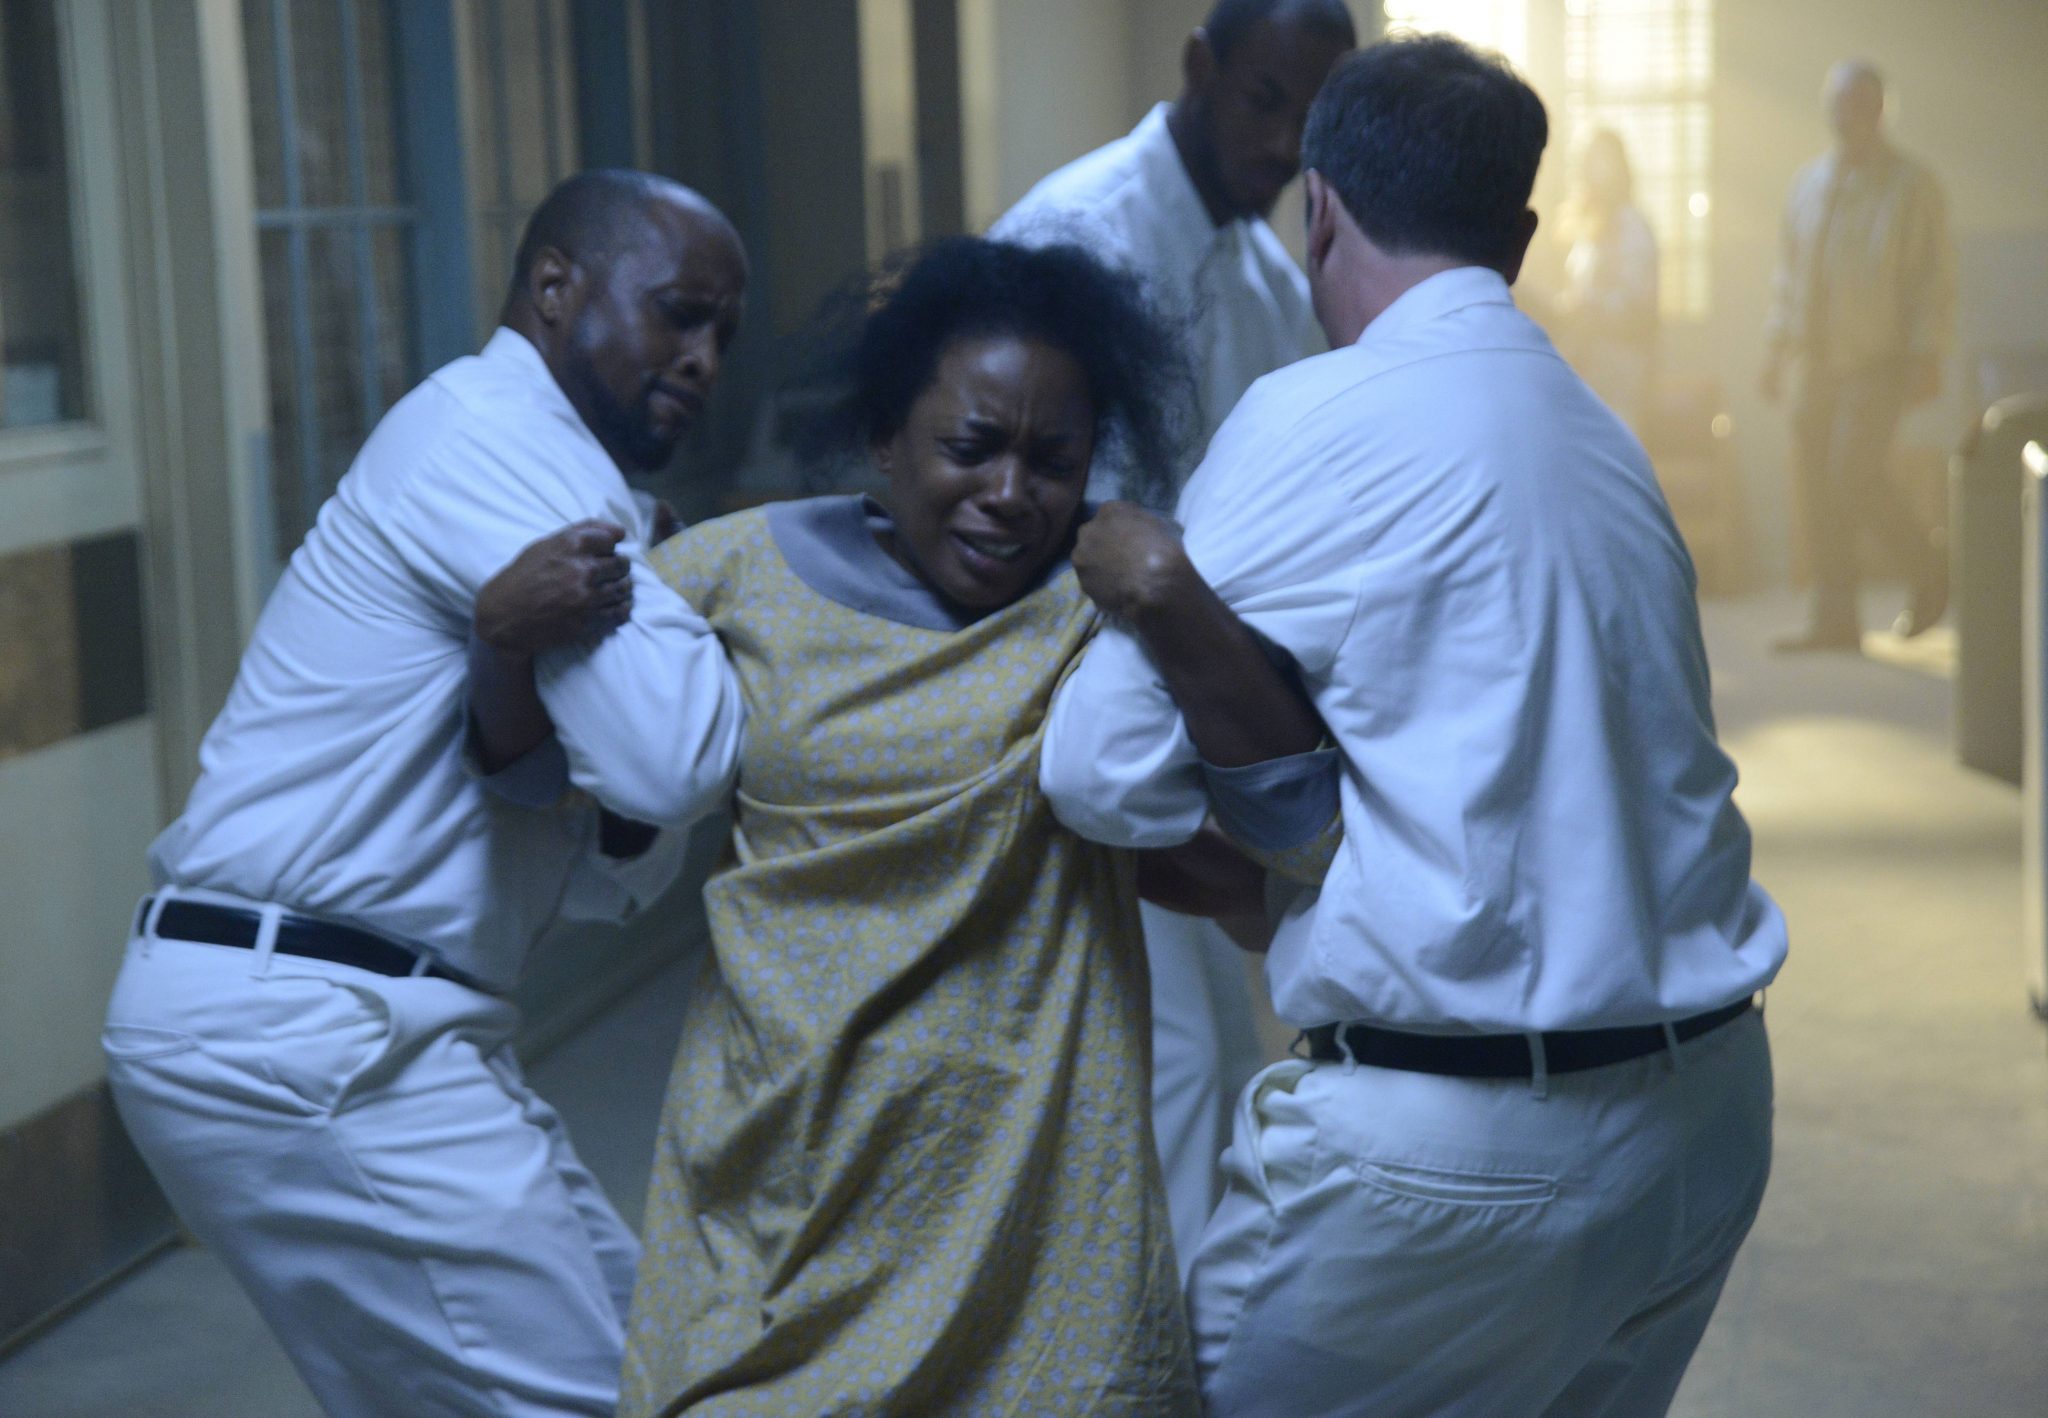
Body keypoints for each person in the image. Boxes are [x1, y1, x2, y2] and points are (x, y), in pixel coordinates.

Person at [1041, 36, 1787, 1416]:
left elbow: (1096, 771)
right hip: (1703, 1124)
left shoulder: (1314, 414)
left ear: (1318, 210)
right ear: (1520, 239)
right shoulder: (1605, 444)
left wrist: (1279, 820)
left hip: (1453, 1151)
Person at [470, 237, 1331, 1415]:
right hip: (778, 1173)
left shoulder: (1095, 617)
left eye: (1053, 460)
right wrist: (501, 640)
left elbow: (1274, 830)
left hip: (1031, 1208)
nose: (1009, 492)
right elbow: (540, 780)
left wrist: (1176, 604)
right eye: (970, 447)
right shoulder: (733, 571)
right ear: (885, 437)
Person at [100, 171, 748, 1417]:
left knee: (656, 1369)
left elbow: (617, 864)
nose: (703, 359)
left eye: (723, 333)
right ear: (553, 285)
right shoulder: (492, 434)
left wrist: (576, 641)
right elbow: (673, 759)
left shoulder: (559, 468)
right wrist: (684, 589)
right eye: (677, 313)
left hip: (370, 1021)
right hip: (309, 1023)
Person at [990, 0, 1354, 1268]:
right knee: (1174, 1069)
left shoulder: (1266, 279)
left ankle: (1161, 1334)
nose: (1285, 144)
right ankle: (1149, 1345)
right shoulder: (1078, 234)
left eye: (1311, 119)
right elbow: (1001, 515)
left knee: (1208, 1063)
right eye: (1262, 101)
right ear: (1198, 68)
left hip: (1183, 728)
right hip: (1057, 717)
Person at [1762, 60, 1956, 651]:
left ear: (1880, 111)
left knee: (1854, 474)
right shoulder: (1808, 185)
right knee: (1818, 491)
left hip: (1878, 361)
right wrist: (1776, 347)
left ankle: (1930, 566)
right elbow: (1789, 276)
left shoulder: (1912, 187)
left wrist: (1926, 353)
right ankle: (1836, 619)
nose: (1848, 115)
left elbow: (1932, 279)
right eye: (1840, 103)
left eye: (1861, 103)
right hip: (1814, 364)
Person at [1552, 127, 1659, 431]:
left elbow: (1635, 301)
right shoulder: (1586, 228)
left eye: (1604, 161)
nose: (1596, 170)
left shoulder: (1631, 225)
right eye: (1591, 161)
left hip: (1619, 363)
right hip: (1584, 362)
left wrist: (1589, 309)